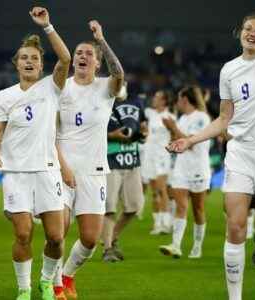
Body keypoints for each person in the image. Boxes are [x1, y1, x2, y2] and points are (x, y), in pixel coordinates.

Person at [167, 1, 255, 299]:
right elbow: (224, 119)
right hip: (239, 154)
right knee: (234, 228)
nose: (252, 34)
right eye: (248, 29)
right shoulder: (228, 70)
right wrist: (191, 140)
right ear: (240, 33)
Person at [0, 7, 71, 300]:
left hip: (48, 171)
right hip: (16, 174)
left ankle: (47, 281)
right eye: (24, 58)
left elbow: (66, 58)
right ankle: (24, 289)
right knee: (23, 234)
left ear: (40, 64)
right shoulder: (4, 96)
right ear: (16, 64)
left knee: (56, 238)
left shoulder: (52, 87)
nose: (29, 62)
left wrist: (48, 26)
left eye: (34, 58)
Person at [54, 20, 124, 300]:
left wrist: (102, 41)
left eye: (89, 54)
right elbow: (51, 133)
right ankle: (54, 284)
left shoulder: (106, 88)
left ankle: (67, 275)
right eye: (78, 53)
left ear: (97, 63)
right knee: (57, 233)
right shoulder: (61, 89)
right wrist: (62, 166)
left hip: (94, 172)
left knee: (91, 239)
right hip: (62, 170)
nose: (83, 56)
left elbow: (119, 72)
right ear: (73, 62)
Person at [159, 85, 211, 259]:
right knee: (181, 206)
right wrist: (171, 142)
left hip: (198, 169)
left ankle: (197, 246)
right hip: (181, 168)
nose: (177, 102)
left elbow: (191, 142)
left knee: (198, 209)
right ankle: (176, 245)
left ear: (185, 100)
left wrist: (173, 127)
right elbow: (180, 142)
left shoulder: (202, 118)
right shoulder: (181, 119)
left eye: (179, 99)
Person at [101, 83, 147, 263]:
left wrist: (144, 132)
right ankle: (107, 249)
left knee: (135, 206)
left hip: (132, 160)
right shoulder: (101, 103)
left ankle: (111, 237)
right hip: (110, 161)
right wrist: (113, 136)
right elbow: (92, 132)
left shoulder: (136, 102)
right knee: (109, 207)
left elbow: (143, 125)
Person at [144, 90, 175, 234]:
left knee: (162, 190)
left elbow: (175, 136)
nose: (154, 99)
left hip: (162, 157)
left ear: (164, 101)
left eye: (157, 97)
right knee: (154, 192)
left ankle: (166, 224)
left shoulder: (169, 117)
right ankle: (157, 224)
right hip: (149, 156)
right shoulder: (151, 114)